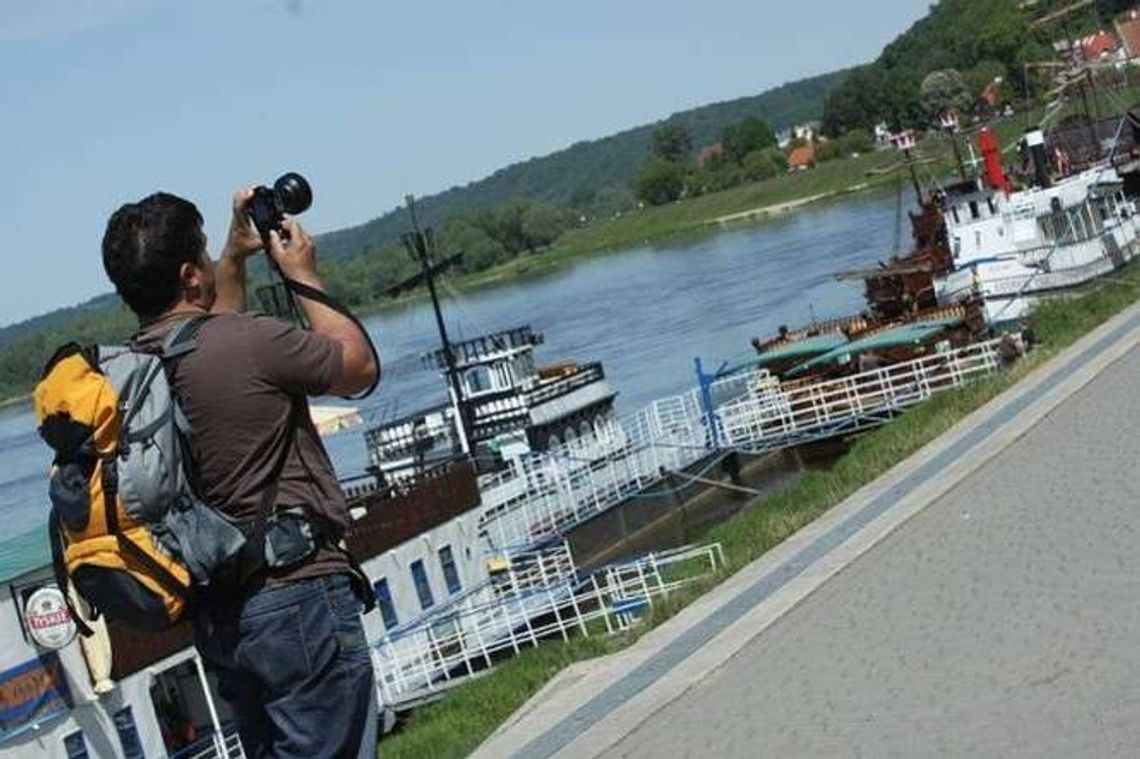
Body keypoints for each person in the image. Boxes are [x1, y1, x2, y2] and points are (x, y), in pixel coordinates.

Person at [100, 188, 380, 758]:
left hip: (222, 615)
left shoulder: (126, 375)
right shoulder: (249, 341)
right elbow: (357, 367)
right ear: (188, 275)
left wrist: (231, 256)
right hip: (298, 594)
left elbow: (206, 337)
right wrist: (302, 275)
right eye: (202, 252)